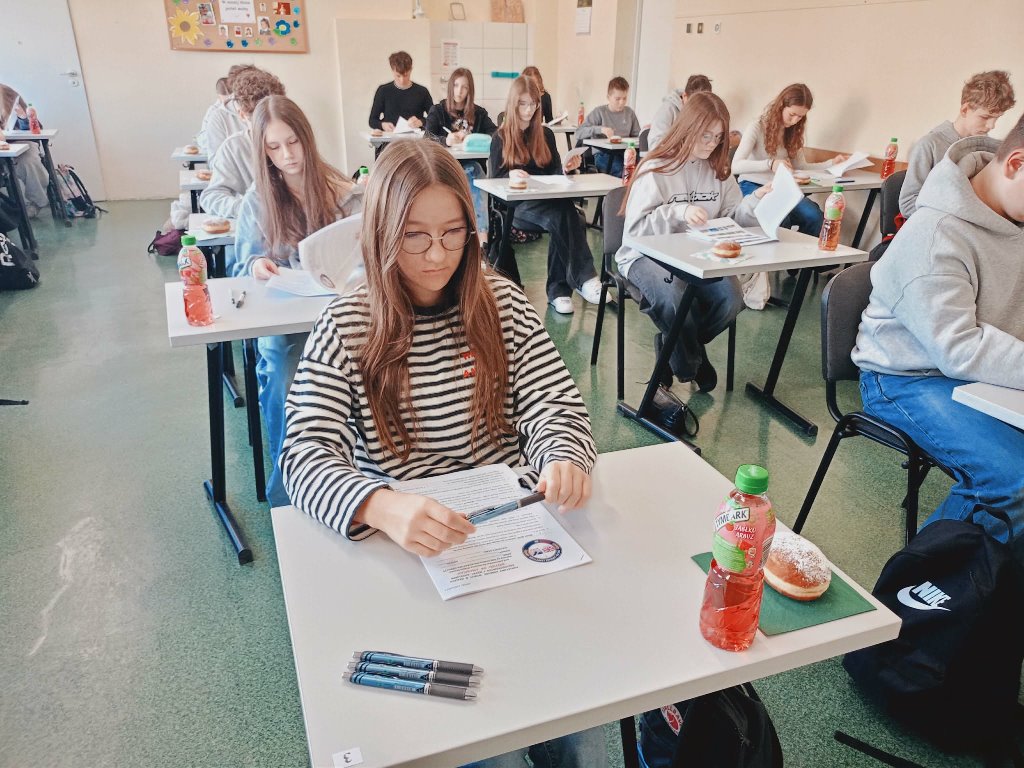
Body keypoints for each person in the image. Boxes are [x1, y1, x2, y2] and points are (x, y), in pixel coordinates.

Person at [279, 139, 607, 767]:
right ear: (381, 234)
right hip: (410, 551)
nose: (437, 256)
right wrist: (379, 505)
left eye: (454, 234)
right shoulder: (348, 323)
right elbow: (304, 454)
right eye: (415, 237)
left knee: (579, 728)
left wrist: (562, 454)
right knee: (490, 746)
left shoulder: (500, 303)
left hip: (511, 535)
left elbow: (554, 402)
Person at [852, 116, 1024, 558]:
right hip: (905, 378)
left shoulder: (1015, 214)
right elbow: (958, 348)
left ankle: (996, 581)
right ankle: (922, 590)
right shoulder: (935, 234)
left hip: (978, 376)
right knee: (1014, 481)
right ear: (1016, 164)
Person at [234, 95, 362, 506]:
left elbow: (367, 255)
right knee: (284, 376)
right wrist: (256, 264)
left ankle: (359, 475)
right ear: (263, 151)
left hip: (340, 314)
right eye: (274, 147)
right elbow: (243, 266)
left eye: (293, 142)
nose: (287, 155)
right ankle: (289, 490)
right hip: (285, 324)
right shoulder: (258, 200)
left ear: (307, 138)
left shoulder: (342, 191)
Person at [615, 92, 770, 428]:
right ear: (687, 128)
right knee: (674, 298)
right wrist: (678, 212)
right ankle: (690, 363)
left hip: (698, 256)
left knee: (732, 299)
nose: (711, 145)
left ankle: (673, 348)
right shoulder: (656, 167)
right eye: (705, 136)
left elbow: (732, 219)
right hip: (644, 255)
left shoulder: (719, 170)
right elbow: (635, 231)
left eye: (718, 138)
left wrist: (754, 200)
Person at [488, 76, 604, 315]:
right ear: (513, 104)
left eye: (533, 104)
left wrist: (568, 169)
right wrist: (511, 176)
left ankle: (562, 291)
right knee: (569, 216)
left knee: (570, 215)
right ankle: (575, 282)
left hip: (548, 202)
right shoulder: (500, 138)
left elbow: (555, 174)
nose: (528, 110)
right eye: (523, 104)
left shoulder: (546, 135)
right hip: (518, 207)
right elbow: (495, 182)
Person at [732, 83, 846, 237]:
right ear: (781, 106)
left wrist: (832, 164)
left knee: (815, 216)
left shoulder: (793, 132)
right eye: (792, 114)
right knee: (780, 219)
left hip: (781, 187)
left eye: (800, 117)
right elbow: (736, 166)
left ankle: (804, 251)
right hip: (752, 185)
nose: (795, 121)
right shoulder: (757, 127)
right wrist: (770, 164)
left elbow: (801, 167)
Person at [899, 70, 1016, 218]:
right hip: (941, 226)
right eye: (985, 117)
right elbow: (908, 204)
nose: (991, 125)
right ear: (965, 110)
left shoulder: (986, 150)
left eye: (996, 118)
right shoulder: (929, 145)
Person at [199, 67, 285, 219]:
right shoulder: (233, 145)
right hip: (256, 221)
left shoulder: (295, 136)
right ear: (243, 115)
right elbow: (212, 196)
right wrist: (247, 207)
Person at [425, 67, 497, 245]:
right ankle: (480, 238)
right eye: (456, 85)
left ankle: (482, 241)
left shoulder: (479, 113)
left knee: (473, 170)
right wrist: (446, 140)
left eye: (464, 87)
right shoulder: (438, 110)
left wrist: (473, 138)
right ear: (450, 86)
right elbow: (427, 138)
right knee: (471, 172)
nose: (459, 91)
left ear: (470, 90)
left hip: (473, 165)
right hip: (445, 166)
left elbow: (495, 134)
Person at [0, 82, 51, 217]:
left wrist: (23, 118)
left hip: (21, 142)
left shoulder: (5, 93)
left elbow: (34, 128)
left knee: (28, 161)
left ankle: (37, 202)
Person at [575, 76, 642, 176]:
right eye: (617, 99)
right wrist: (600, 129)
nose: (621, 102)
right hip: (603, 155)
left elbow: (638, 136)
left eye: (624, 98)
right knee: (624, 173)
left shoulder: (629, 113)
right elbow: (579, 132)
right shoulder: (599, 112)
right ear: (608, 97)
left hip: (626, 153)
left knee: (642, 171)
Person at [368, 51, 433, 133]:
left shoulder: (422, 91)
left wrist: (421, 122)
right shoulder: (383, 91)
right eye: (398, 76)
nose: (402, 80)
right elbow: (372, 120)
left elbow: (435, 118)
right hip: (390, 138)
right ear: (392, 70)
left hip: (414, 138)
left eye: (406, 75)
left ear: (411, 70)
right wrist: (382, 125)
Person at [648, 73, 712, 150]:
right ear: (684, 96)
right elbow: (655, 144)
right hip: (669, 155)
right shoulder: (668, 109)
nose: (698, 110)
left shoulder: (706, 112)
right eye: (693, 105)